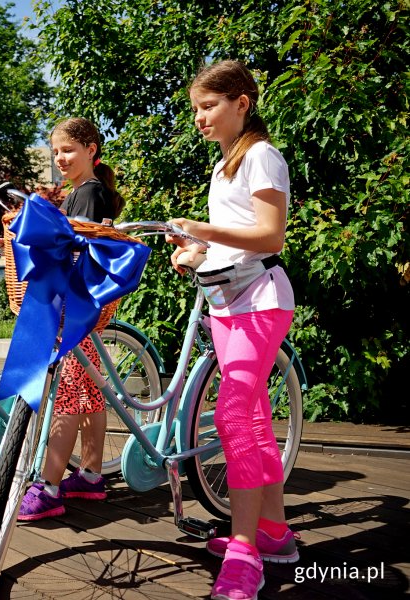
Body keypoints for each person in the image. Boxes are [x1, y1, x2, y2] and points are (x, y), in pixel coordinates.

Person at [166, 60, 297, 600]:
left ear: (242, 102)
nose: (199, 118)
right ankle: (274, 533)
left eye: (208, 106)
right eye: (196, 108)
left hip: (262, 300)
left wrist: (200, 228)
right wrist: (196, 251)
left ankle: (245, 552)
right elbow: (232, 240)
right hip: (227, 302)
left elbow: (269, 236)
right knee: (255, 416)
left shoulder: (262, 156)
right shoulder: (225, 167)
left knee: (233, 415)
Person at [17, 117, 126, 520]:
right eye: (56, 152)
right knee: (89, 392)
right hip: (84, 305)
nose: (60, 159)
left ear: (91, 150)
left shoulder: (89, 194)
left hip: (74, 305)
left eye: (67, 150)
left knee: (67, 394)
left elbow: (76, 246)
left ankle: (48, 485)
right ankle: (93, 475)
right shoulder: (80, 193)